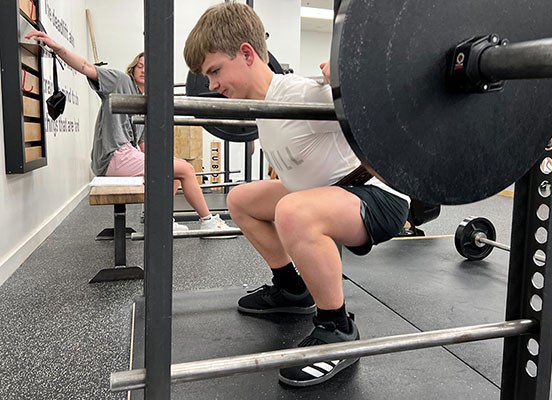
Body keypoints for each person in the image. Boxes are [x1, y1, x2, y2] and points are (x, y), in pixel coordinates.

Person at [184, 3, 411, 387]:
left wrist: (347, 82)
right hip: (323, 191)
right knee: (241, 199)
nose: (211, 86)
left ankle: (337, 329)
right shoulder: (263, 106)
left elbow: (383, 108)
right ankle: (292, 289)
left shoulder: (300, 95)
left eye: (215, 71)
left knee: (292, 211)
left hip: (376, 196)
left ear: (246, 53)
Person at [25, 30, 229, 232]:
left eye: (148, 67)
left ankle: (160, 220)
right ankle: (207, 220)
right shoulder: (120, 81)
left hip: (126, 156)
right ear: (133, 69)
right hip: (112, 156)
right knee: (186, 169)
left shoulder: (146, 104)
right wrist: (58, 48)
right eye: (139, 66)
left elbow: (141, 146)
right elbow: (86, 66)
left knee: (175, 172)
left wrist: (167, 159)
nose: (143, 69)